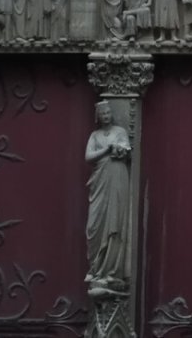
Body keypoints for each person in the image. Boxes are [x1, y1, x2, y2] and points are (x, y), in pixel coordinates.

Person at [85, 101, 131, 295]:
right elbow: (88, 157)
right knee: (94, 226)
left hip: (117, 176)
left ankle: (112, 273)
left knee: (115, 222)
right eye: (102, 113)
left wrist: (120, 149)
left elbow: (126, 150)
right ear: (98, 116)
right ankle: (96, 269)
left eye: (108, 112)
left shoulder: (120, 131)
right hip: (100, 181)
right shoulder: (94, 135)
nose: (106, 115)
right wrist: (106, 149)